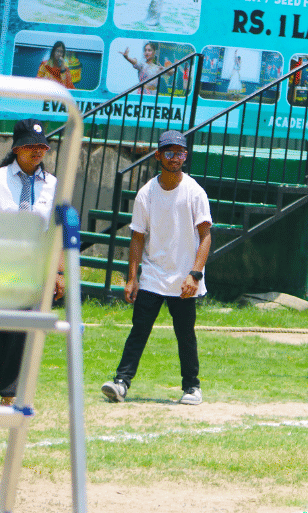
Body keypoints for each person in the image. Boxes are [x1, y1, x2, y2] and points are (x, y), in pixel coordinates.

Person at [101, 130, 212, 406]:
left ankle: (192, 387)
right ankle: (121, 383)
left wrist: (195, 274)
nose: (176, 158)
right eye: (170, 153)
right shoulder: (146, 194)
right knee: (139, 330)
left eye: (181, 153)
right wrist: (132, 279)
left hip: (184, 278)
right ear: (158, 155)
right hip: (152, 275)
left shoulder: (195, 192)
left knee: (185, 334)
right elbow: (137, 236)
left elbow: (206, 236)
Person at [0, 119, 65, 406]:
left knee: (24, 327)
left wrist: (59, 271)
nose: (37, 151)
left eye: (41, 146)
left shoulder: (53, 186)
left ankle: (11, 392)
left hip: (35, 268)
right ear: (16, 148)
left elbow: (57, 231)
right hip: (0, 266)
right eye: (31, 146)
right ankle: (6, 386)